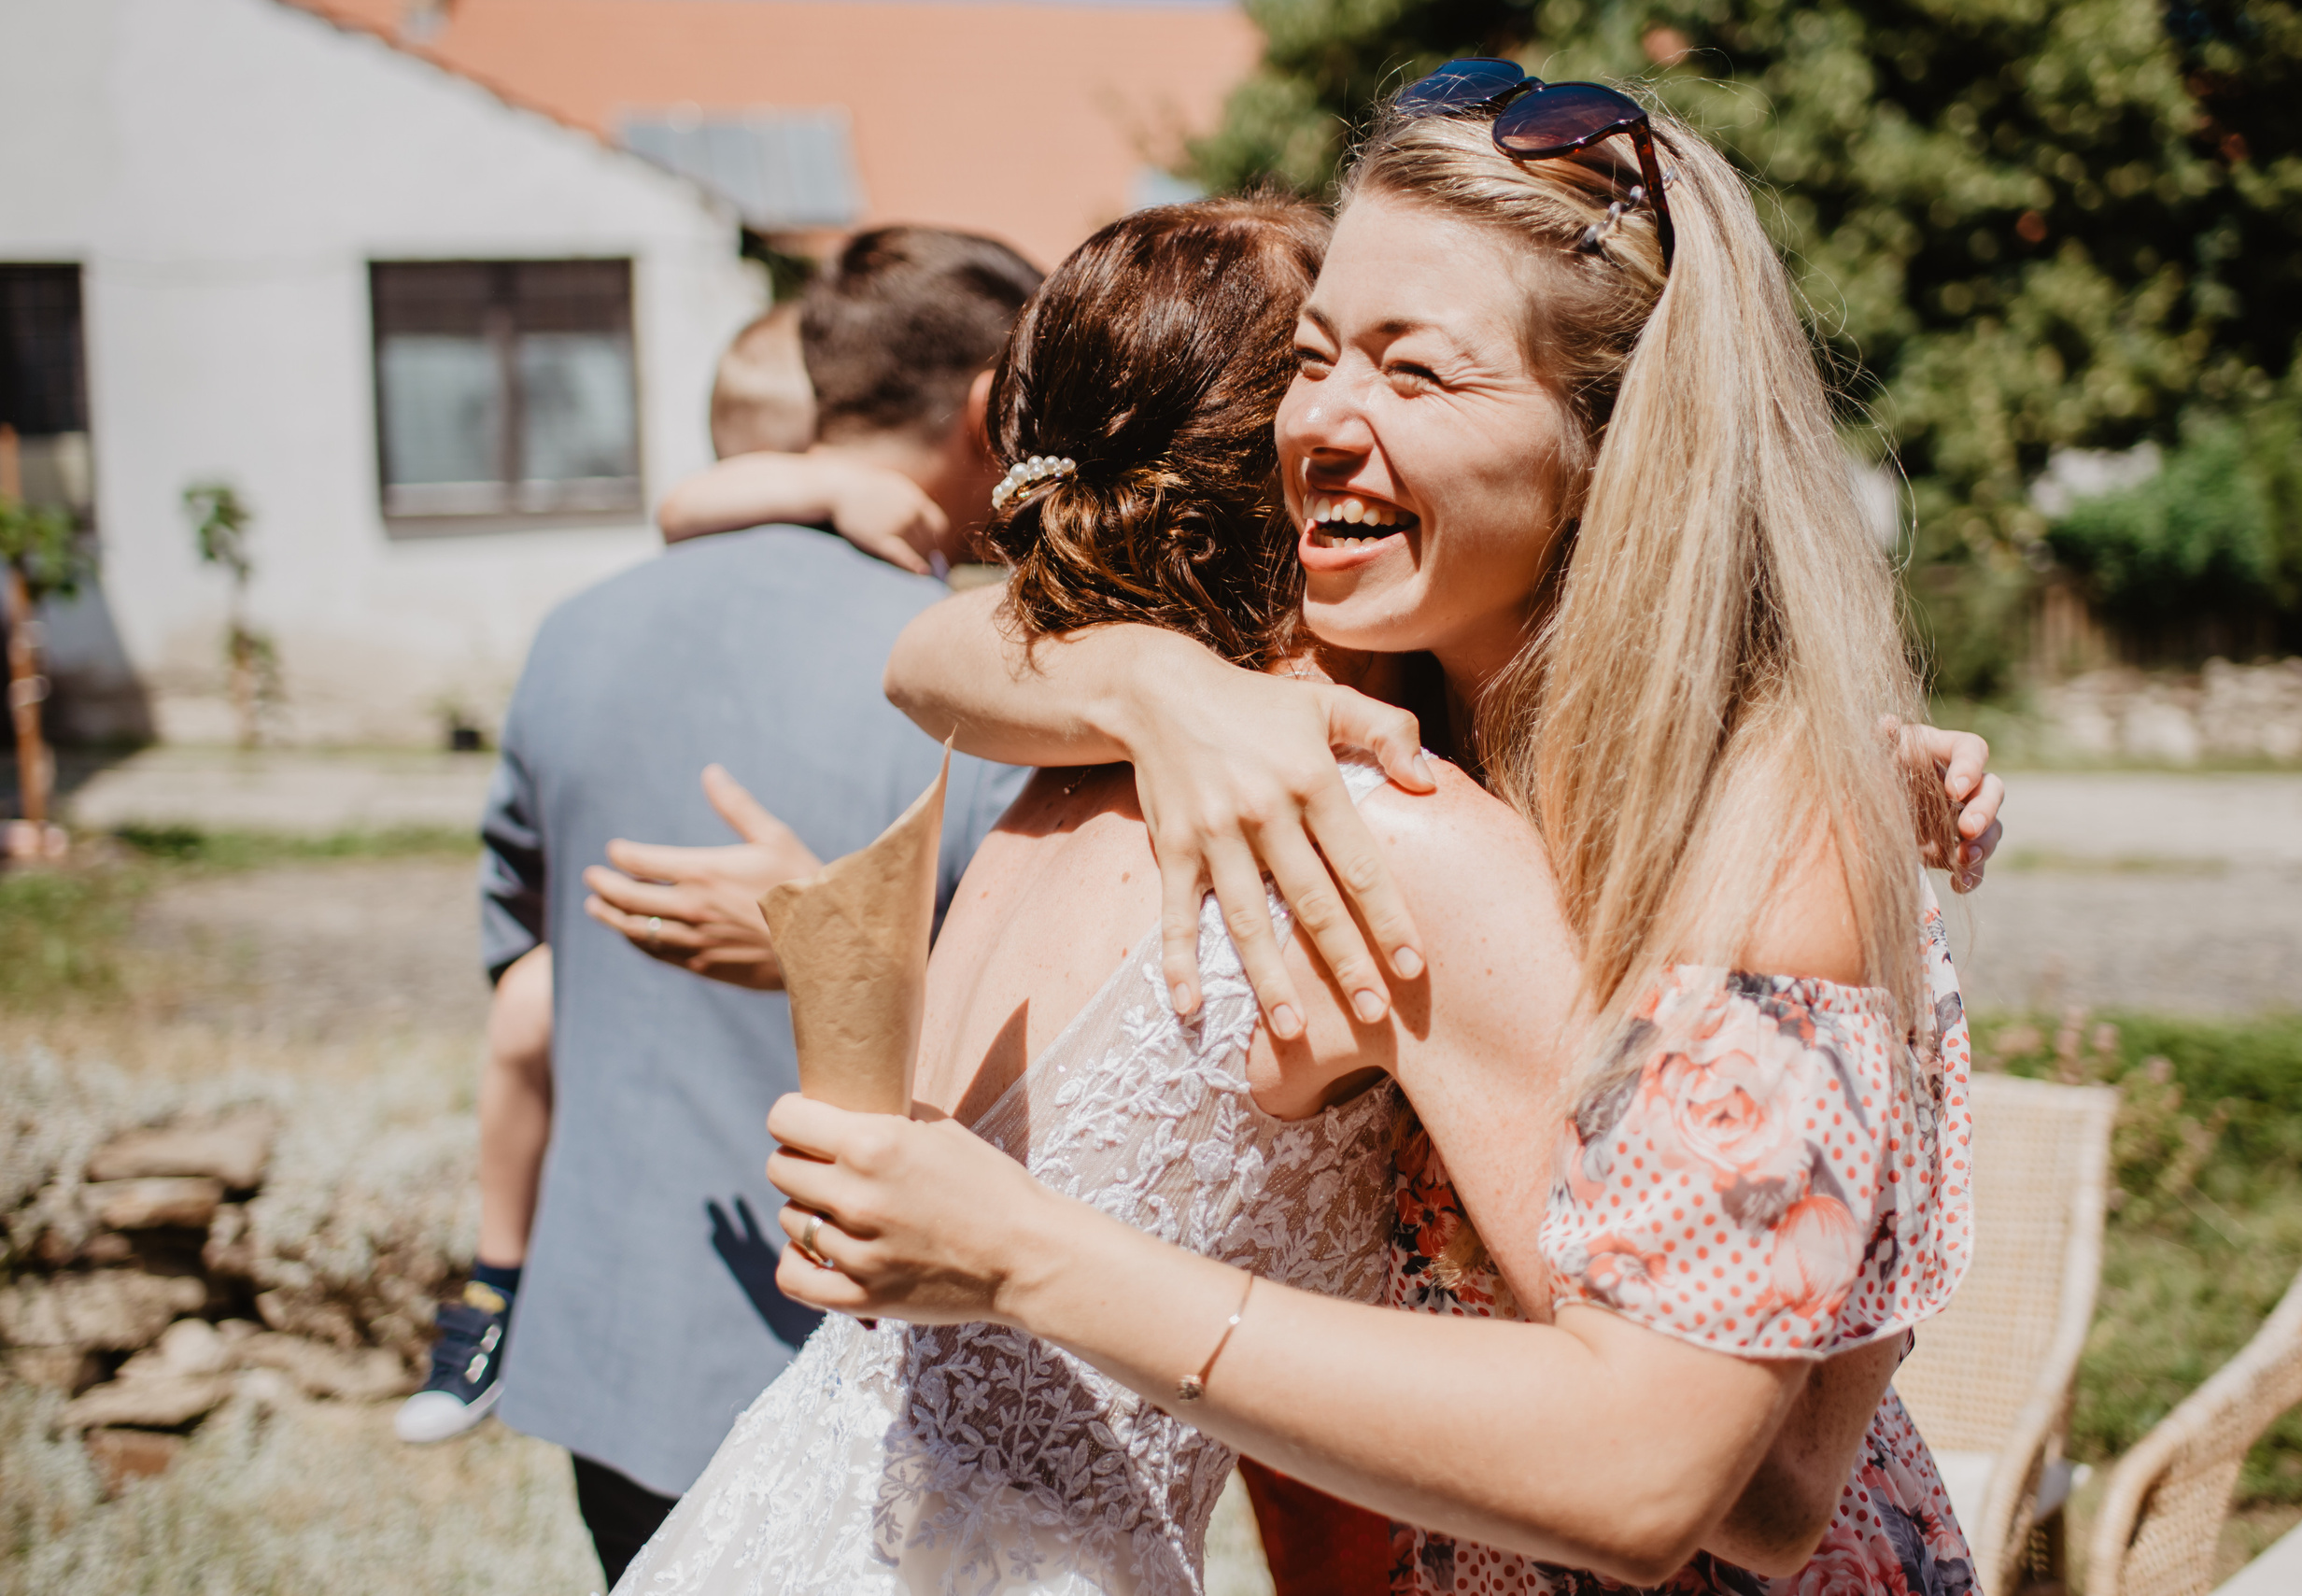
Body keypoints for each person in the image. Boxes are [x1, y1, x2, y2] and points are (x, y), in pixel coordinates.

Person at [749, 72, 1995, 1595]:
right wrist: (1152, 680)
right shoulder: (1369, 708)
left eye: (1416, 374)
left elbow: (1715, 1480)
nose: (1324, 421)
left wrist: (1023, 1253)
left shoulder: (1765, 820)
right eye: (1318, 356)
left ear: (1610, 439)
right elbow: (942, 650)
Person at [413, 225, 1040, 1587]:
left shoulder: (577, 629)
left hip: (607, 1346)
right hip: (842, 1386)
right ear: (996, 410)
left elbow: (520, 960)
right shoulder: (993, 694)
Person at [393, 297, 828, 1451]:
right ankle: (493, 1276)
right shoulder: (927, 632)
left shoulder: (576, 628)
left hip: (624, 1317)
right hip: (814, 1300)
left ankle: (496, 1281)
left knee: (530, 993)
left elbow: (514, 895)